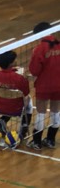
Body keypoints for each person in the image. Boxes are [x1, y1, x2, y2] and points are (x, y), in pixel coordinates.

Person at [27, 20, 60, 149]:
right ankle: (51, 140)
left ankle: (36, 142)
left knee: (40, 113)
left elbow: (34, 70)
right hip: (59, 85)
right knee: (55, 111)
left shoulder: (39, 49)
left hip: (44, 85)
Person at [0, 49, 31, 140]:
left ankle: (3, 120)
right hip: (16, 109)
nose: (16, 60)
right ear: (11, 63)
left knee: (8, 98)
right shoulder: (20, 78)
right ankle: (24, 128)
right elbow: (26, 93)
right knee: (29, 101)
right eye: (15, 59)